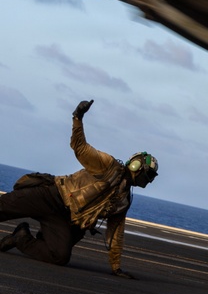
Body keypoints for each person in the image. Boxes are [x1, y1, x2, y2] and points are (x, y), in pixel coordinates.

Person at [0, 100, 158, 278]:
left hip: (63, 217)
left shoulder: (123, 201)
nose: (149, 181)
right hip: (50, 195)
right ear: (137, 167)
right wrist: (78, 117)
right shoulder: (108, 165)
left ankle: (21, 238)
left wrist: (116, 267)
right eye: (149, 175)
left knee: (59, 256)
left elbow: (115, 234)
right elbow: (80, 147)